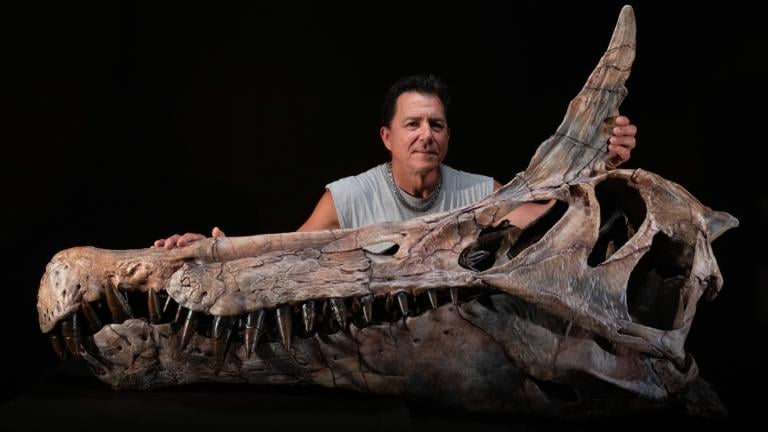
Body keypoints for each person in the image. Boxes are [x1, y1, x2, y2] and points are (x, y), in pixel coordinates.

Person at [154, 74, 636, 249]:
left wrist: (601, 167)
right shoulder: (347, 197)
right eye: (413, 124)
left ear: (447, 137)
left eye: (437, 125)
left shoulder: (480, 192)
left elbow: (554, 226)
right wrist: (218, 251)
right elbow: (287, 252)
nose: (426, 134)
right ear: (387, 137)